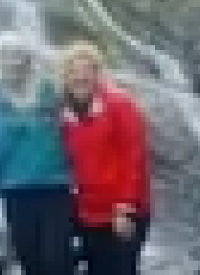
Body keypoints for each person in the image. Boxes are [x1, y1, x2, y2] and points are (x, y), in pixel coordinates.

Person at [0, 38, 75, 275]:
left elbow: (74, 132)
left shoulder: (50, 92)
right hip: (16, 191)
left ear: (28, 60)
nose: (12, 62)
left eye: (17, 55)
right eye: (6, 56)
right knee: (30, 259)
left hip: (55, 188)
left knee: (57, 259)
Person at [58, 39, 151, 275]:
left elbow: (134, 157)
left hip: (124, 211)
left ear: (97, 73)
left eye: (86, 70)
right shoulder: (63, 111)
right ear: (65, 77)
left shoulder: (120, 104)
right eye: (73, 71)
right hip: (89, 213)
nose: (80, 77)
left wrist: (124, 208)